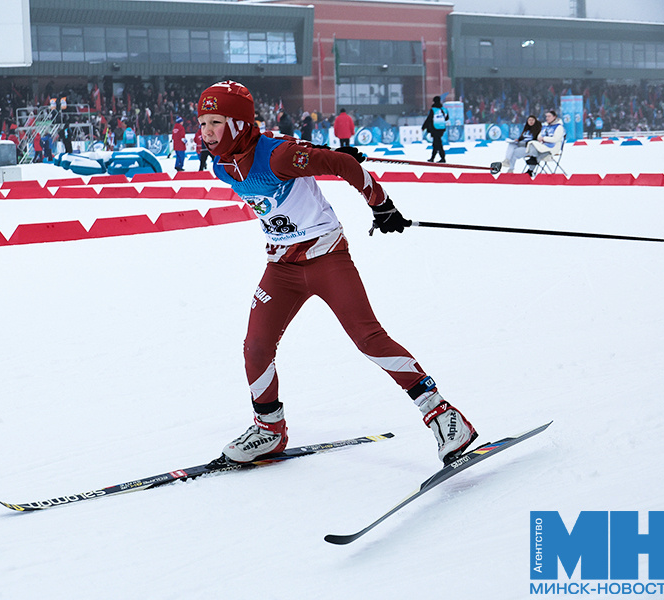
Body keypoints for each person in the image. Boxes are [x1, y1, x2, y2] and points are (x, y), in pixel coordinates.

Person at [197, 80, 477, 466]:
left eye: (216, 122)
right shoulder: (222, 164)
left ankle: (443, 415)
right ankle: (269, 430)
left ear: (239, 124)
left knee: (368, 338)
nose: (207, 132)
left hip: (327, 258)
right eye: (203, 123)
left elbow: (342, 165)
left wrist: (382, 206)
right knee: (256, 347)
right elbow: (289, 149)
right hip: (281, 266)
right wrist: (318, 152)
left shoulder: (278, 157)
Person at [524, 109, 565, 177]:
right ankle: (533, 160)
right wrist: (540, 138)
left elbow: (555, 139)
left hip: (553, 147)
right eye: (546, 116)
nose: (547, 118)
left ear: (554, 117)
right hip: (543, 146)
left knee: (538, 151)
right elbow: (539, 136)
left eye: (549, 116)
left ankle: (532, 166)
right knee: (532, 144)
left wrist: (544, 139)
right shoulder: (545, 126)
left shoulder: (559, 127)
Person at [422, 96, 448, 163]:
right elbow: (447, 118)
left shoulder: (433, 110)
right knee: (436, 143)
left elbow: (428, 119)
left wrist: (424, 127)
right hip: (442, 128)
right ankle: (432, 158)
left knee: (438, 143)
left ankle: (442, 158)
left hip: (435, 128)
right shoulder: (444, 109)